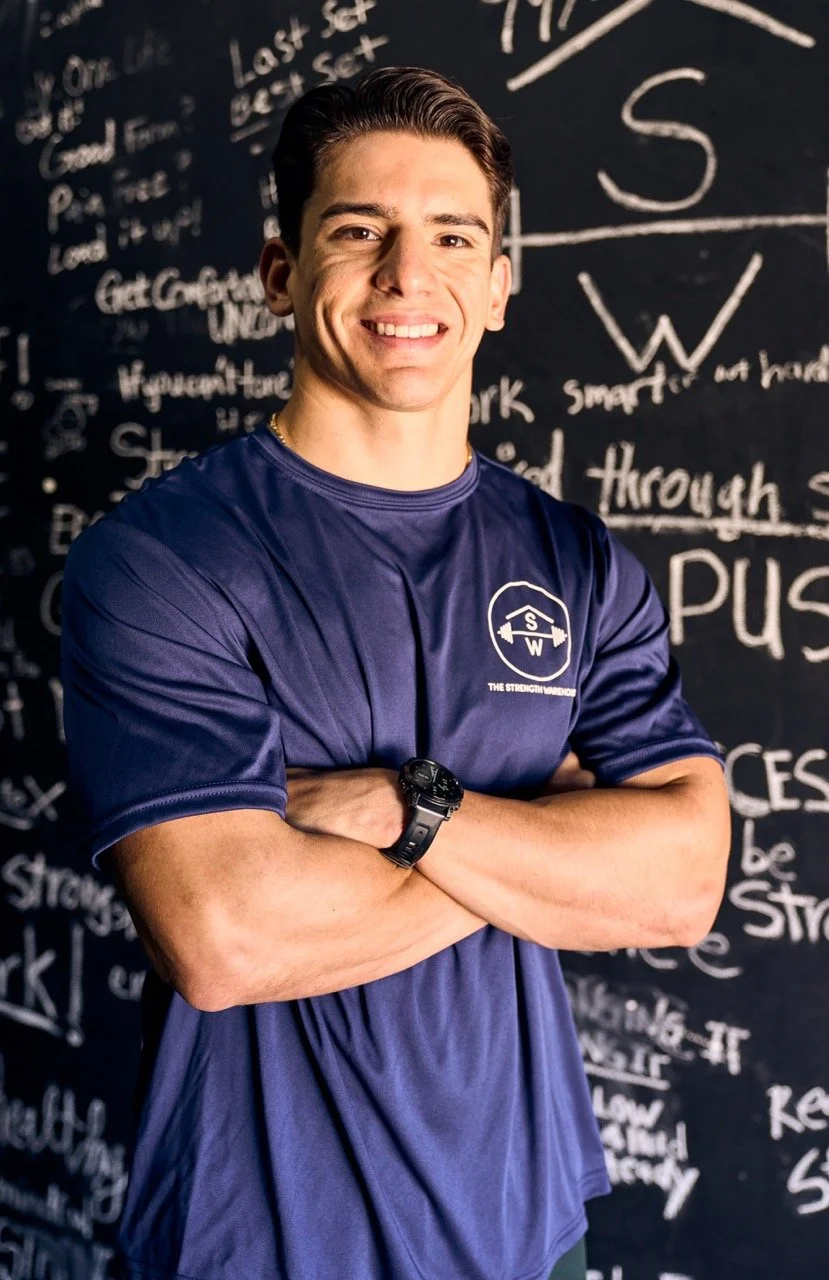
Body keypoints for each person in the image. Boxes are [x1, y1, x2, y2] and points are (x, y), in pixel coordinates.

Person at [61, 65, 731, 1280]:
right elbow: (228, 934)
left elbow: (682, 884)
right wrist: (548, 833)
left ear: (498, 286)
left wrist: (399, 806)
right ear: (281, 273)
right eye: (357, 230)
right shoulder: (159, 558)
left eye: (451, 236)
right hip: (256, 1239)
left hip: (531, 1231)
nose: (405, 276)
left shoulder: (576, 561)